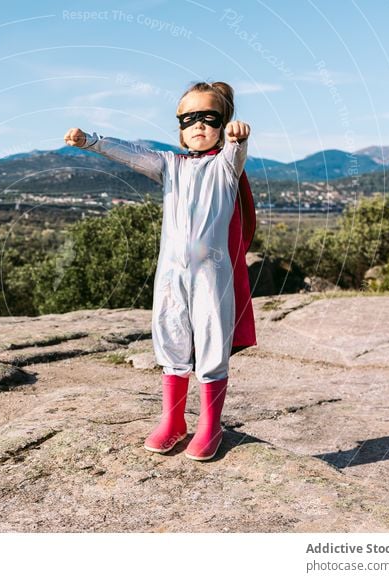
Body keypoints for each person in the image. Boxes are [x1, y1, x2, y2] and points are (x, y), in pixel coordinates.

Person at [63, 81, 257, 461]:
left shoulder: (225, 167)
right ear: (180, 127)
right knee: (171, 337)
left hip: (212, 277)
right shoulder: (170, 166)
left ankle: (210, 425)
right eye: (189, 119)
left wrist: (238, 138)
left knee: (211, 342)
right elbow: (132, 154)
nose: (198, 125)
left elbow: (236, 151)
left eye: (209, 118)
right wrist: (91, 141)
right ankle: (173, 421)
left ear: (223, 123)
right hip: (171, 274)